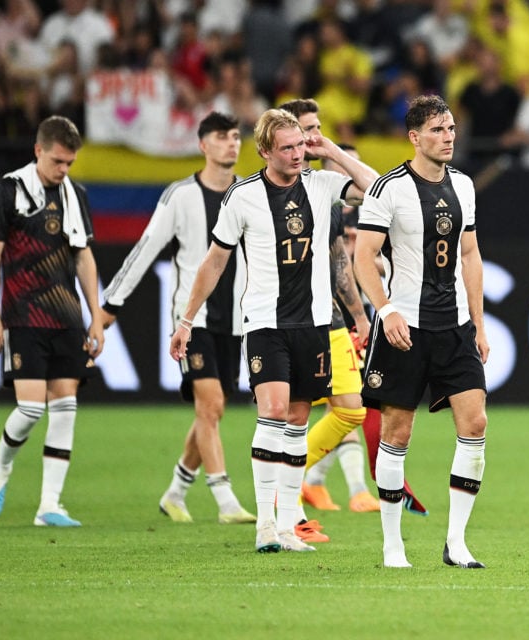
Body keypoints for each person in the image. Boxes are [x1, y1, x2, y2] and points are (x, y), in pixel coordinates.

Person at [169, 108, 378, 553]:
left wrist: (333, 151)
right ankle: (265, 523)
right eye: (288, 147)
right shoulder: (242, 196)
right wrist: (187, 320)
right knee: (275, 410)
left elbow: (377, 189)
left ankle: (287, 525)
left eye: (302, 144)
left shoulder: (322, 185)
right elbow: (215, 261)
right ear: (265, 151)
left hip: (315, 324)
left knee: (299, 420)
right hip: (266, 324)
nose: (298, 154)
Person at [100, 112, 255, 525]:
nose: (231, 144)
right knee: (213, 403)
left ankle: (175, 491)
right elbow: (146, 248)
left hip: (238, 321)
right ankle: (224, 500)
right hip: (194, 319)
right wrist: (110, 303)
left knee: (212, 412)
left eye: (236, 137)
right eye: (222, 137)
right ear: (203, 145)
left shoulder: (249, 194)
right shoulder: (180, 195)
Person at [355, 95, 490, 569]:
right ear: (414, 137)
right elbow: (362, 256)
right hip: (404, 327)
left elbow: (470, 255)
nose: (448, 136)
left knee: (475, 424)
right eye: (437, 130)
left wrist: (477, 321)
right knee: (398, 430)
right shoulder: (387, 189)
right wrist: (386, 309)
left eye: (451, 128)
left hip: (454, 327)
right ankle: (393, 545)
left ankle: (457, 543)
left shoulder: (465, 186)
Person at [0, 114, 104, 527]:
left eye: (69, 163)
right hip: (23, 314)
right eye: (56, 161)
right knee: (30, 410)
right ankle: (1, 468)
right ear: (38, 151)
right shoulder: (9, 190)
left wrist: (96, 316)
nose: (63, 170)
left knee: (66, 408)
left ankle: (49, 505)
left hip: (66, 317)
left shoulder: (75, 194)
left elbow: (83, 256)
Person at [277, 99, 379, 520]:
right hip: (287, 319)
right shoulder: (263, 192)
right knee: (293, 414)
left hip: (331, 317)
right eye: (307, 130)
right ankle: (288, 506)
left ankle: (294, 478)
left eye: (318, 128)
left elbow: (340, 257)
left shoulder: (324, 188)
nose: (314, 137)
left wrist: (358, 315)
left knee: (352, 408)